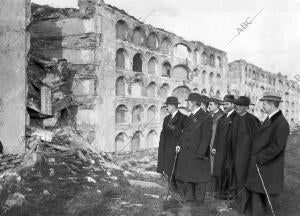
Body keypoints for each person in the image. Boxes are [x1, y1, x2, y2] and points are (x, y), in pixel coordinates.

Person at [245, 92, 290, 216]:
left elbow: (277, 147)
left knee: (271, 200)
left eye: (264, 104)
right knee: (257, 194)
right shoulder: (270, 119)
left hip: (269, 167)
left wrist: (260, 158)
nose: (262, 107)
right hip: (261, 166)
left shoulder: (281, 123)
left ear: (271, 105)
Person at [175, 93, 213, 203]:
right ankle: (190, 201)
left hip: (198, 155)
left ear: (194, 103)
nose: (187, 104)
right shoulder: (190, 116)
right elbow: (185, 133)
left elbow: (206, 137)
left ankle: (199, 206)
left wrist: (200, 154)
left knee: (199, 181)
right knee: (189, 179)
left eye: (188, 102)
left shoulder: (205, 117)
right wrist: (179, 144)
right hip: (187, 154)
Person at [231, 96, 260, 213]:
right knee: (237, 179)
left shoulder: (253, 120)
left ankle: (244, 206)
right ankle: (239, 203)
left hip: (246, 157)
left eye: (241, 105)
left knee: (244, 180)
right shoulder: (235, 118)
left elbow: (258, 139)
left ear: (247, 107)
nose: (237, 107)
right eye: (236, 105)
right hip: (234, 155)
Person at [157, 96, 187, 193]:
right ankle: (173, 193)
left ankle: (181, 193)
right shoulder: (166, 119)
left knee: (177, 174)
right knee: (169, 173)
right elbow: (163, 135)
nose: (166, 108)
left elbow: (184, 135)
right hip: (167, 150)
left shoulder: (183, 118)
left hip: (176, 150)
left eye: (168, 106)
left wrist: (172, 128)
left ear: (173, 106)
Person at [211, 95, 237, 199]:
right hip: (220, 149)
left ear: (233, 105)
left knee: (228, 170)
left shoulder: (236, 117)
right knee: (219, 169)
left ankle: (227, 193)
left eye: (227, 104)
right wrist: (214, 146)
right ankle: (218, 191)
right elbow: (217, 134)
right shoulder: (222, 118)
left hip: (230, 150)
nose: (224, 106)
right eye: (223, 104)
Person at [208, 96, 224, 175]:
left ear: (217, 105)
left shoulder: (221, 116)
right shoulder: (209, 114)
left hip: (214, 144)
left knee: (213, 166)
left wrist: (214, 146)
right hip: (207, 143)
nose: (209, 106)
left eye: (211, 104)